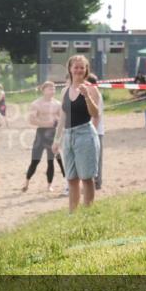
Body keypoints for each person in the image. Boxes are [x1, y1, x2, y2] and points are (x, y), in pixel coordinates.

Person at [53, 55, 101, 211]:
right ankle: (73, 213)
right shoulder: (65, 90)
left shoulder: (92, 89)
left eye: (82, 67)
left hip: (85, 134)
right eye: (76, 67)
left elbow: (95, 114)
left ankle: (88, 212)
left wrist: (86, 96)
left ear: (86, 70)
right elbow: (63, 116)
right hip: (68, 136)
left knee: (87, 178)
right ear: (70, 68)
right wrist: (56, 139)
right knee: (71, 178)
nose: (79, 70)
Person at [22, 81, 65, 193]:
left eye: (54, 88)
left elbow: (62, 119)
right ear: (43, 90)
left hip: (53, 135)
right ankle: (26, 182)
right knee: (35, 161)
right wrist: (47, 123)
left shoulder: (58, 104)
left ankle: (49, 185)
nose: (53, 91)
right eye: (50, 88)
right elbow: (31, 120)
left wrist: (58, 122)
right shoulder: (36, 104)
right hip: (41, 134)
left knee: (51, 161)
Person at [86, 73, 106, 191]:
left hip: (96, 131)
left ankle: (97, 182)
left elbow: (96, 116)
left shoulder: (95, 94)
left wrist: (91, 130)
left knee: (96, 158)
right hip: (93, 130)